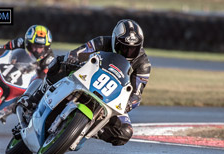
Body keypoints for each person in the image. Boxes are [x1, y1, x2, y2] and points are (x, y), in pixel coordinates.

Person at [17, 19, 151, 146]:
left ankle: (87, 130)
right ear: (115, 40)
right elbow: (79, 52)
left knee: (125, 132)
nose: (127, 52)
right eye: (123, 47)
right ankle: (35, 98)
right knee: (57, 63)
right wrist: (72, 58)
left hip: (111, 96)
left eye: (133, 48)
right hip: (87, 79)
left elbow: (136, 93)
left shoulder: (143, 64)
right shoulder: (102, 41)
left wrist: (129, 104)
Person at [0, 25, 54, 95]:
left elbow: (44, 76)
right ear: (28, 43)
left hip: (26, 81)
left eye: (40, 47)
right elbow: (3, 48)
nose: (37, 50)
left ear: (46, 47)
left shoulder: (49, 57)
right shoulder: (19, 42)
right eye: (34, 46)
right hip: (9, 67)